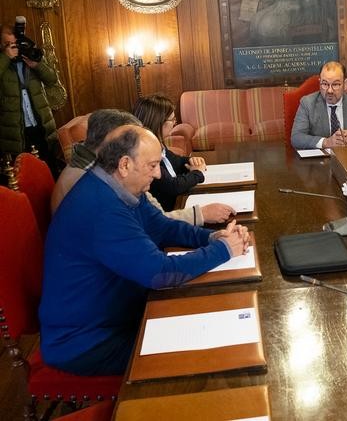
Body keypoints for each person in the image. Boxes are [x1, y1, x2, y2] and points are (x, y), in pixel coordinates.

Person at [39, 125, 250, 375]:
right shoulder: (101, 209)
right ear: (125, 165)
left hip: (116, 311)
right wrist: (223, 250)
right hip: (88, 340)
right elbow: (160, 273)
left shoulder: (118, 186)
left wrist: (213, 237)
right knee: (203, 358)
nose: (159, 175)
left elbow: (163, 227)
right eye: (152, 166)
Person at [50, 108, 234, 224]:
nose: (156, 173)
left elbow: (151, 216)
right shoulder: (88, 181)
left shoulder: (99, 166)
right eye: (131, 140)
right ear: (112, 141)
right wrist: (200, 215)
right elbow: (147, 227)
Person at [0, 24, 62, 173]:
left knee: (50, 169)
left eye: (16, 43)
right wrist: (5, 58)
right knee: (25, 175)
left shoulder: (30, 55)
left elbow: (52, 79)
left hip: (41, 126)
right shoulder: (2, 62)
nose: (14, 47)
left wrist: (37, 65)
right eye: (9, 44)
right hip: (15, 133)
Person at [133, 94, 207, 211]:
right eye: (172, 119)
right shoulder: (145, 151)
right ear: (158, 121)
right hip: (168, 211)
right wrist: (197, 173)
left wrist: (191, 160)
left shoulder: (158, 143)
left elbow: (175, 161)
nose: (175, 123)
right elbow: (173, 186)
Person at [291, 61, 347, 149]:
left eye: (335, 84)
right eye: (325, 84)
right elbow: (296, 137)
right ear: (320, 82)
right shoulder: (307, 103)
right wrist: (325, 142)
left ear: (345, 84)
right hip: (320, 161)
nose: (329, 91)